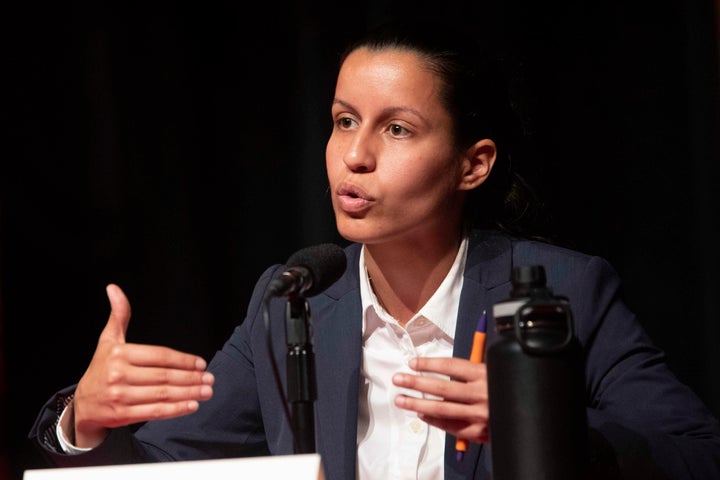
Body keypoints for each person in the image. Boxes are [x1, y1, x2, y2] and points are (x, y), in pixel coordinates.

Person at [29, 17, 720, 480]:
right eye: (344, 121)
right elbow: (165, 464)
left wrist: (544, 425)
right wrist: (81, 422)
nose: (353, 156)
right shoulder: (294, 300)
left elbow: (694, 452)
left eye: (397, 129)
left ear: (471, 164)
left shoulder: (567, 291)